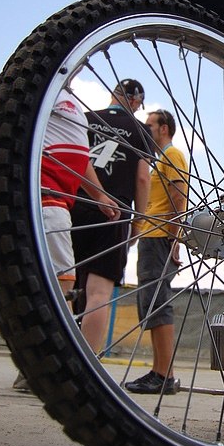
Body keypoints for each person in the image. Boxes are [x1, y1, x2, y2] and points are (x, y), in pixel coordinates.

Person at [0, 90, 119, 387]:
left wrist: (99, 195)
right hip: (45, 197)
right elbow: (0, 132)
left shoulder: (72, 104)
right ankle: (57, 369)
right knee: (62, 286)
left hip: (48, 200)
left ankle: (41, 368)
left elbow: (81, 158)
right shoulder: (46, 89)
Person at [71, 79, 152, 354]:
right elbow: (143, 178)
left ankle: (48, 354)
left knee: (62, 284)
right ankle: (86, 364)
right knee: (99, 293)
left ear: (113, 94)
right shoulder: (140, 130)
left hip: (75, 205)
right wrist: (138, 222)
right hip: (115, 213)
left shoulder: (85, 118)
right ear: (136, 101)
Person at [125, 109, 188, 395]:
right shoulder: (160, 159)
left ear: (164, 128)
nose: (145, 129)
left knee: (158, 303)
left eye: (150, 125)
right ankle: (160, 372)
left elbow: (179, 195)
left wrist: (174, 238)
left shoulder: (172, 155)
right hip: (153, 236)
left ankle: (164, 375)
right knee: (151, 304)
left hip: (160, 236)